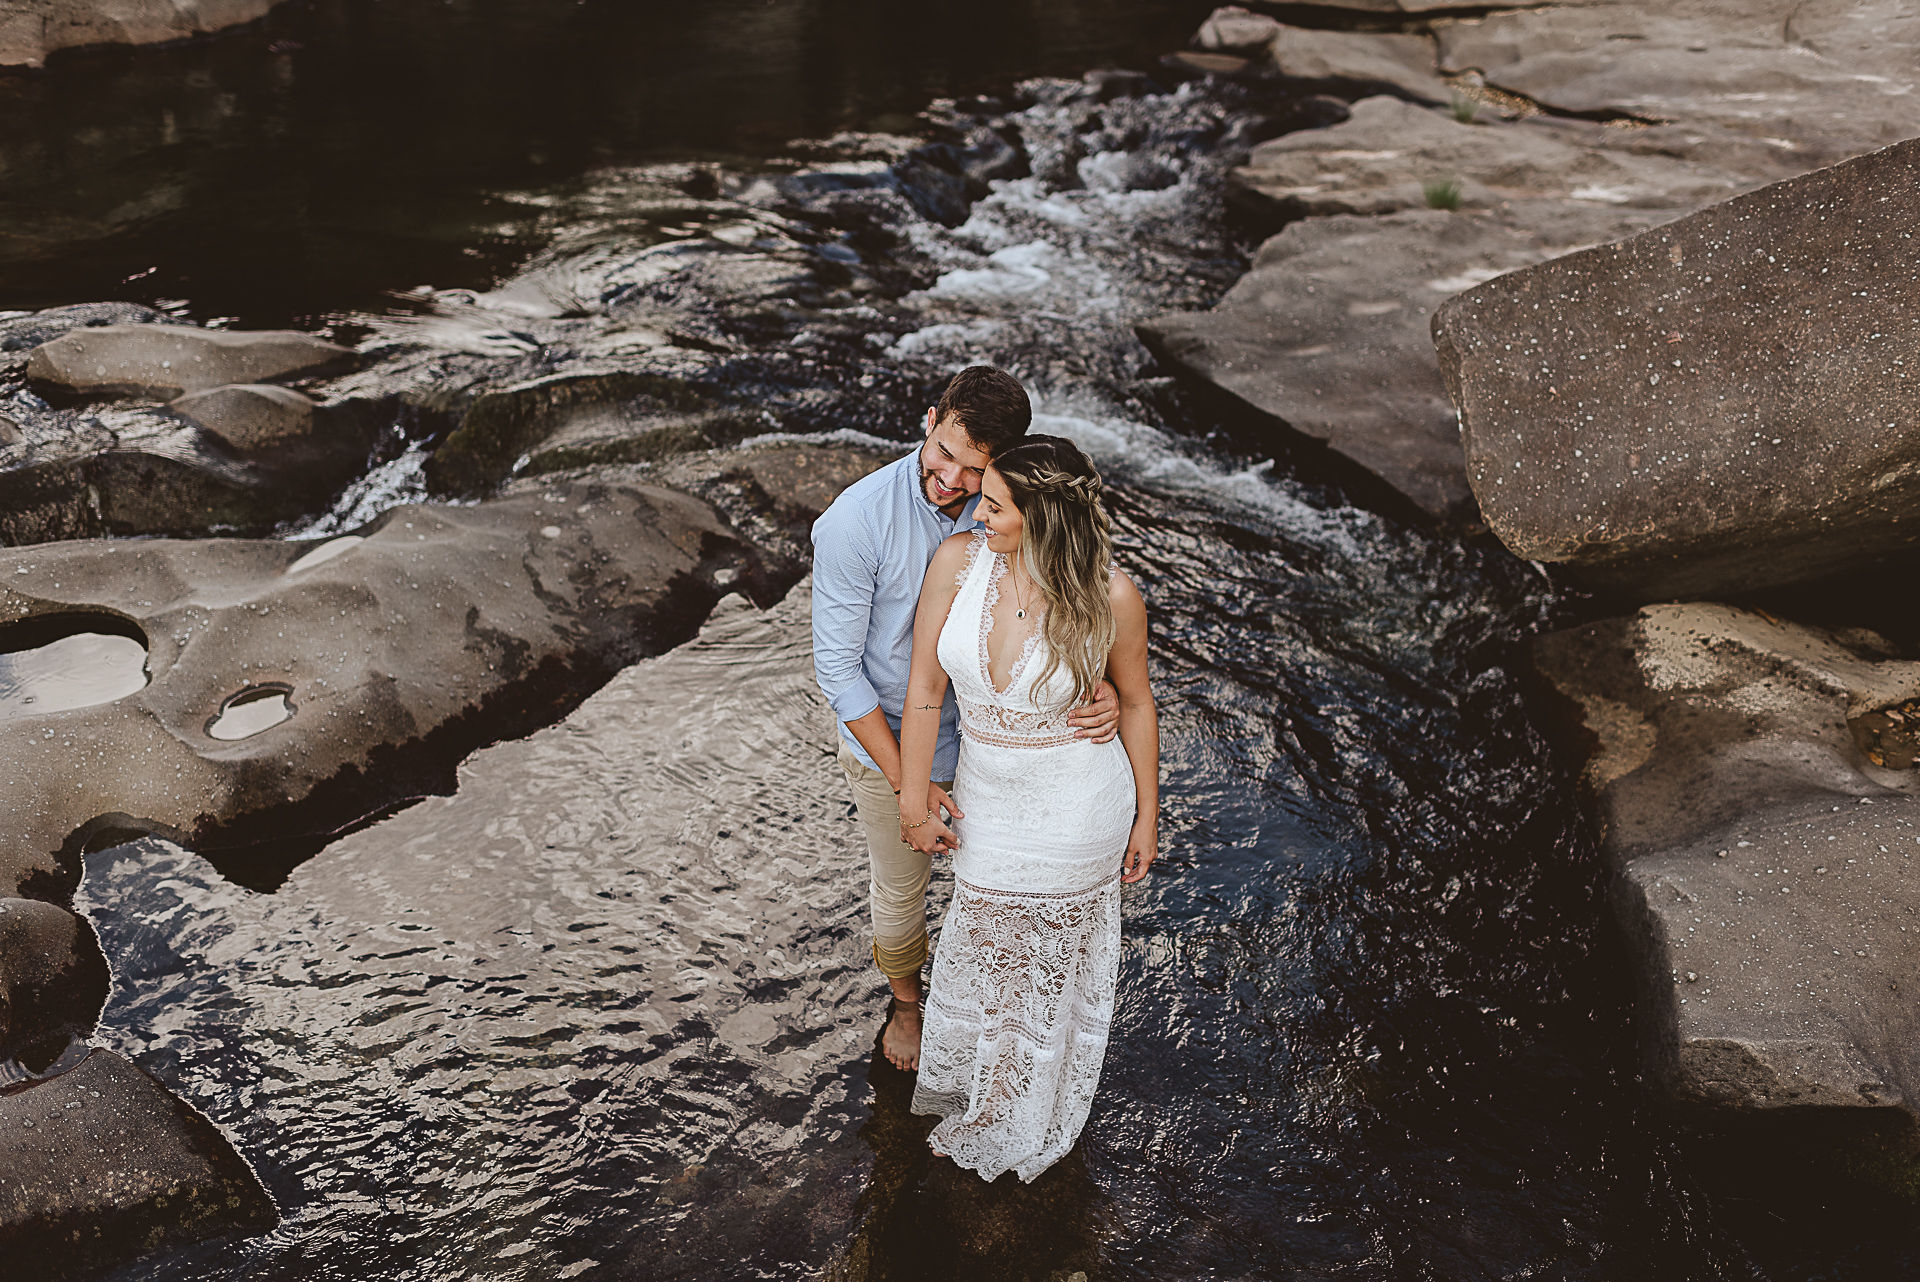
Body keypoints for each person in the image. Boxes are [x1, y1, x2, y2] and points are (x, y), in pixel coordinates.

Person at [810, 368, 1119, 1074]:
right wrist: (909, 787)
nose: (951, 481)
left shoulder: (1014, 501)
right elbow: (839, 674)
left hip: (998, 741)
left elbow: (1070, 589)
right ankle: (907, 1005)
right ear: (930, 420)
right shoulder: (856, 523)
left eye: (975, 471)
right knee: (902, 889)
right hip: (892, 737)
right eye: (943, 453)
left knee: (1001, 889)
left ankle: (994, 1015)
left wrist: (1095, 681)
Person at [894, 434, 1159, 1183]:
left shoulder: (1111, 596)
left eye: (997, 506)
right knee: (983, 955)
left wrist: (1148, 816)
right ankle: (981, 1101)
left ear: (1043, 519)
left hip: (1076, 809)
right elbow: (925, 690)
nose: (978, 514)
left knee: (1040, 976)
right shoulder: (957, 563)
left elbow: (1137, 702)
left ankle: (1022, 1117)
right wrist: (913, 797)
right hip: (988, 801)